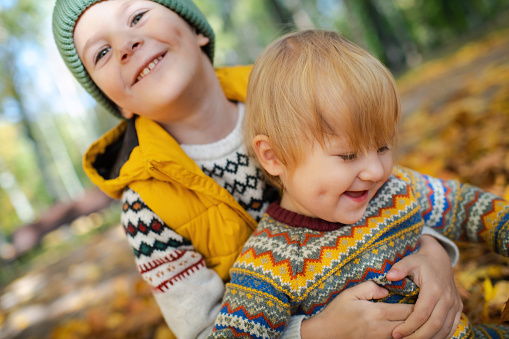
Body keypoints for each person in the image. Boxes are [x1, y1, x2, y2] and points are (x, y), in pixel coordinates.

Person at [52, 1, 464, 338]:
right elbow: (205, 333)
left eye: (137, 16)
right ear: (115, 102)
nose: (125, 44)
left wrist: (433, 251)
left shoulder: (295, 95)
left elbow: (385, 187)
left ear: (197, 29)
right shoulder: (145, 208)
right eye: (101, 53)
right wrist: (317, 332)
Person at [209, 29, 509, 339]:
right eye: (348, 155)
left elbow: (467, 206)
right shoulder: (270, 262)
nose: (376, 171)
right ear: (273, 156)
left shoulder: (395, 189)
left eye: (383, 146)